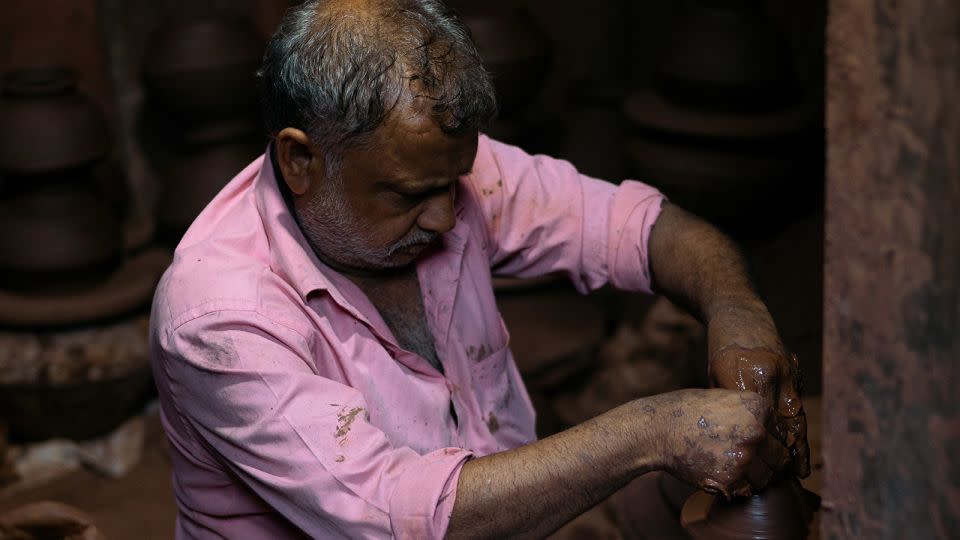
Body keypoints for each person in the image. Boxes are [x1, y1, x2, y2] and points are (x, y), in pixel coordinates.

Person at [149, 0, 810, 538]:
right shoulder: (220, 315)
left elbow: (646, 229)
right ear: (301, 161)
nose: (444, 216)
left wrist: (736, 309)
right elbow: (399, 520)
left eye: (454, 183)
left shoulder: (440, 171)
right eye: (409, 196)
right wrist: (652, 431)